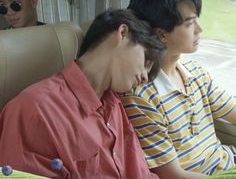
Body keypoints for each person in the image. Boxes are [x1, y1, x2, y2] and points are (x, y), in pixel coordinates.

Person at [0, 9, 162, 179]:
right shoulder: (35, 110)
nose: (144, 77)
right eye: (146, 60)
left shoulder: (114, 106)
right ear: (122, 33)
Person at [121, 0, 236, 179]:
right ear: (162, 35)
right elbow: (173, 175)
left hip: (228, 162)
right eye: (190, 23)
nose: (199, 30)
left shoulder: (195, 73)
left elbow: (233, 113)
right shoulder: (141, 96)